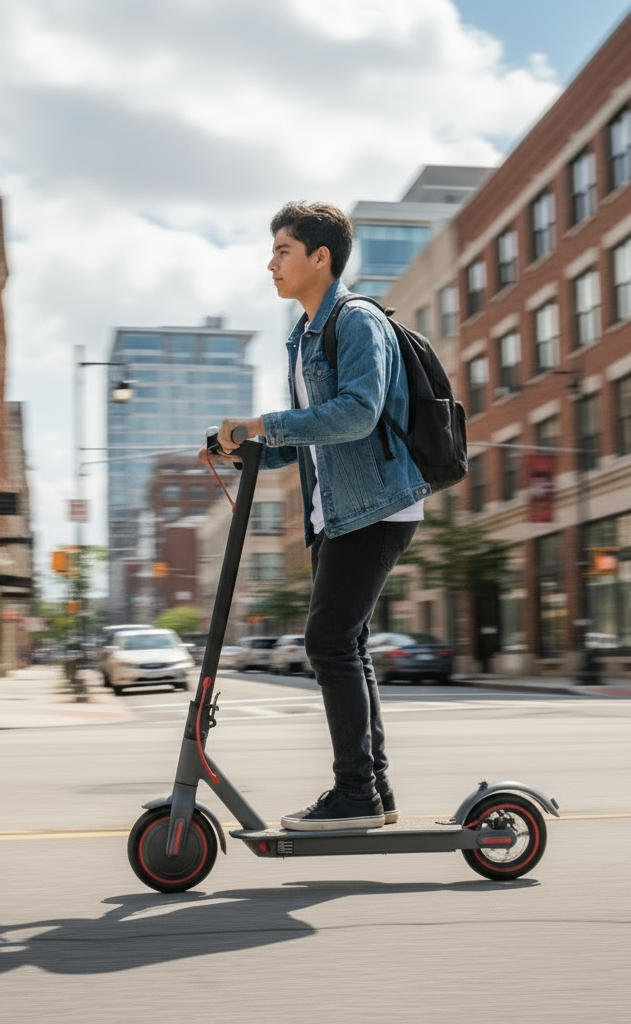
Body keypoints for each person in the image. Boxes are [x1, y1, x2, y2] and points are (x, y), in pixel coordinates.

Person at [199, 201, 430, 831]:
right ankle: (372, 792)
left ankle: (355, 792)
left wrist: (262, 423)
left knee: (329, 642)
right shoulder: (302, 337)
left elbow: (358, 413)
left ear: (319, 258)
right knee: (346, 644)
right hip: (338, 511)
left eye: (282, 250)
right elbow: (311, 437)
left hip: (377, 505)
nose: (270, 263)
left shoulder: (355, 322)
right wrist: (247, 447)